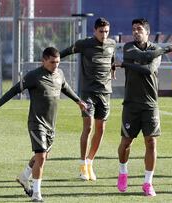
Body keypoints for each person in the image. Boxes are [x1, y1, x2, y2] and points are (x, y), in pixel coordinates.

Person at [0, 47, 87, 202]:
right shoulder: (34, 76)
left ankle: (24, 176)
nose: (56, 65)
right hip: (36, 123)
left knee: (43, 155)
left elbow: (65, 88)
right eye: (52, 62)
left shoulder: (59, 74)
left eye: (58, 62)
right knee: (41, 156)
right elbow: (14, 90)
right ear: (43, 61)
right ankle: (36, 195)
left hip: (51, 125)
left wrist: (79, 101)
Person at [116, 18, 172, 197]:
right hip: (131, 104)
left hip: (150, 104)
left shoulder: (154, 50)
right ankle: (123, 171)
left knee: (151, 142)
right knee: (126, 142)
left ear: (147, 32)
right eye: (133, 29)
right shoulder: (128, 47)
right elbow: (143, 58)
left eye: (139, 29)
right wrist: (165, 48)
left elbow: (149, 69)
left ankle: (148, 183)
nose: (136, 32)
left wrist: (127, 65)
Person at [60, 17, 116, 181]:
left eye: (106, 31)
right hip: (88, 93)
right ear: (94, 31)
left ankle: (90, 162)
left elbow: (112, 59)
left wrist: (113, 71)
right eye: (101, 31)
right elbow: (64, 52)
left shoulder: (112, 44)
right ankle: (83, 166)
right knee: (88, 127)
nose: (104, 35)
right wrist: (52, 63)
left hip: (105, 93)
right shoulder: (84, 44)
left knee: (101, 129)